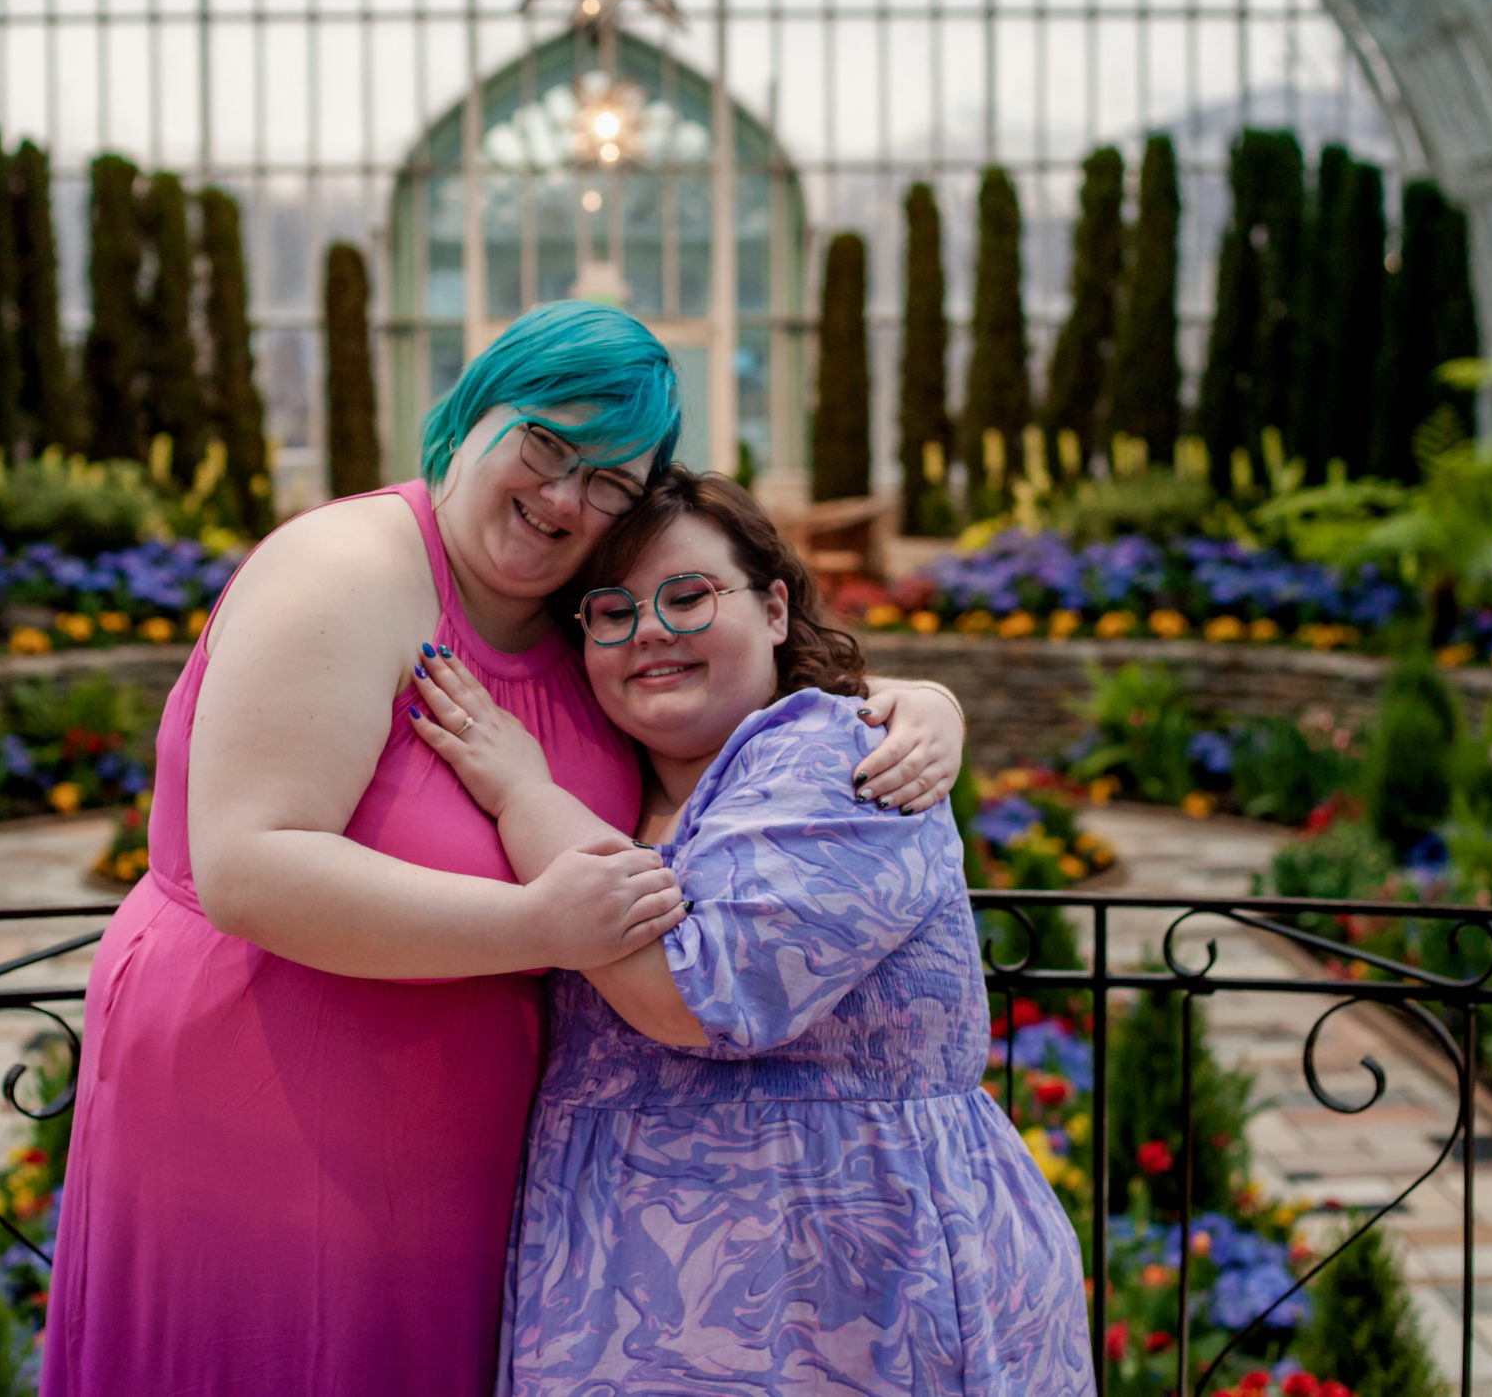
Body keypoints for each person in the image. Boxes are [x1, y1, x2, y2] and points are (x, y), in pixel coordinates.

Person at [41, 303, 968, 1397]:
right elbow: (252, 863)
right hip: (263, 1110)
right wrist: (538, 930)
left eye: (610, 480)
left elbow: (710, 716)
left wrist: (906, 701)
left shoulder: (582, 614)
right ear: (473, 413)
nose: (567, 496)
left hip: (467, 1154)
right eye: (546, 445)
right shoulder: (351, 567)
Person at [408, 464, 1093, 1395]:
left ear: (775, 608)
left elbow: (697, 992)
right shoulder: (611, 778)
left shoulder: (844, 761)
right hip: (616, 1297)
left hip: (849, 1298)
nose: (650, 627)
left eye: (688, 596)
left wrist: (522, 793)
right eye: (612, 612)